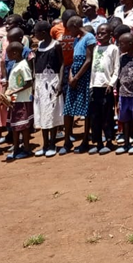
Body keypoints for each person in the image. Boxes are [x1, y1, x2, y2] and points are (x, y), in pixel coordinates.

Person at [80, 23, 117, 155]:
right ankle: (98, 142)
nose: (100, 35)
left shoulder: (113, 49)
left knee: (107, 115)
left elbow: (116, 68)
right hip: (94, 86)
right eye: (98, 33)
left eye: (103, 33)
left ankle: (108, 141)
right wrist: (90, 85)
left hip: (106, 86)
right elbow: (92, 69)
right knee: (95, 116)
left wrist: (111, 83)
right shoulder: (95, 49)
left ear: (110, 35)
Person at [62, 15, 96, 154]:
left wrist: (76, 77)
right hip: (74, 75)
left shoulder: (89, 38)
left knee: (86, 108)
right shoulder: (77, 39)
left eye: (69, 29)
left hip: (84, 76)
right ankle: (67, 140)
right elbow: (73, 61)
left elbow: (88, 60)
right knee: (68, 108)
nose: (69, 33)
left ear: (76, 26)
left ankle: (85, 140)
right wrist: (70, 76)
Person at [32, 20, 64, 157]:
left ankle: (52, 143)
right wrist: (34, 84)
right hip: (40, 82)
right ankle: (45, 144)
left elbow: (62, 64)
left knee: (52, 112)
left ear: (44, 33)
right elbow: (35, 66)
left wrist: (60, 82)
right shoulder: (39, 46)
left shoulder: (56, 45)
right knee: (42, 113)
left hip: (52, 81)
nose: (34, 35)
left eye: (36, 33)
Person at [114, 32, 133, 155]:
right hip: (123, 94)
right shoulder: (122, 58)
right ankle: (126, 143)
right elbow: (119, 75)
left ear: (131, 44)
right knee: (125, 120)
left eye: (122, 43)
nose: (120, 45)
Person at [3, 41, 33, 160]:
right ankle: (16, 148)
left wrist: (14, 91)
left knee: (23, 126)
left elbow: (29, 82)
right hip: (15, 100)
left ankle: (26, 149)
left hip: (22, 100)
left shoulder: (23, 65)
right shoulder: (16, 63)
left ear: (15, 53)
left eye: (8, 53)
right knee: (15, 126)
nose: (7, 56)